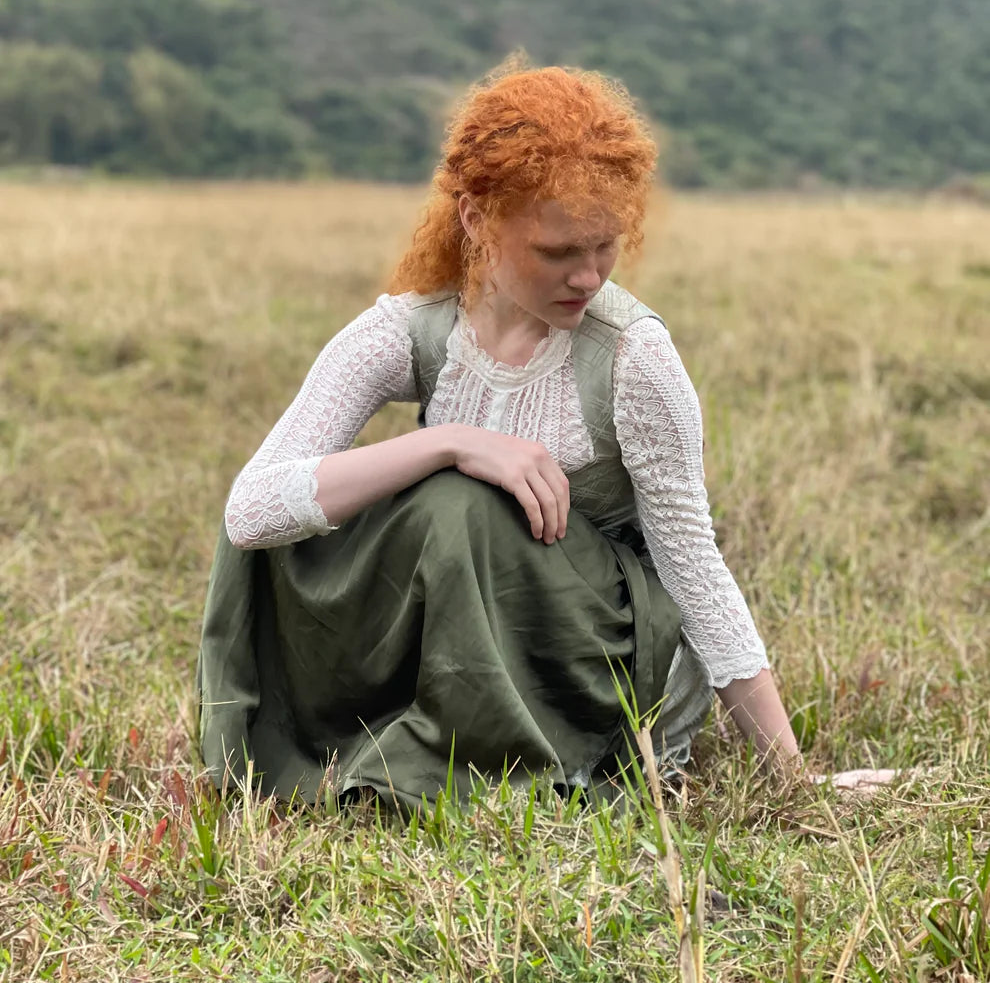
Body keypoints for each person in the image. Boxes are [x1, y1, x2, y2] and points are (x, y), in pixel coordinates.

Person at [197, 60, 802, 809]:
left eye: (605, 246)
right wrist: (445, 442)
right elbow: (249, 513)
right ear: (476, 219)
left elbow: (693, 568)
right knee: (326, 512)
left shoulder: (633, 358)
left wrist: (794, 780)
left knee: (457, 506)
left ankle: (514, 764)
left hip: (598, 657)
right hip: (471, 636)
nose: (588, 276)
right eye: (557, 252)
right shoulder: (412, 329)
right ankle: (349, 742)